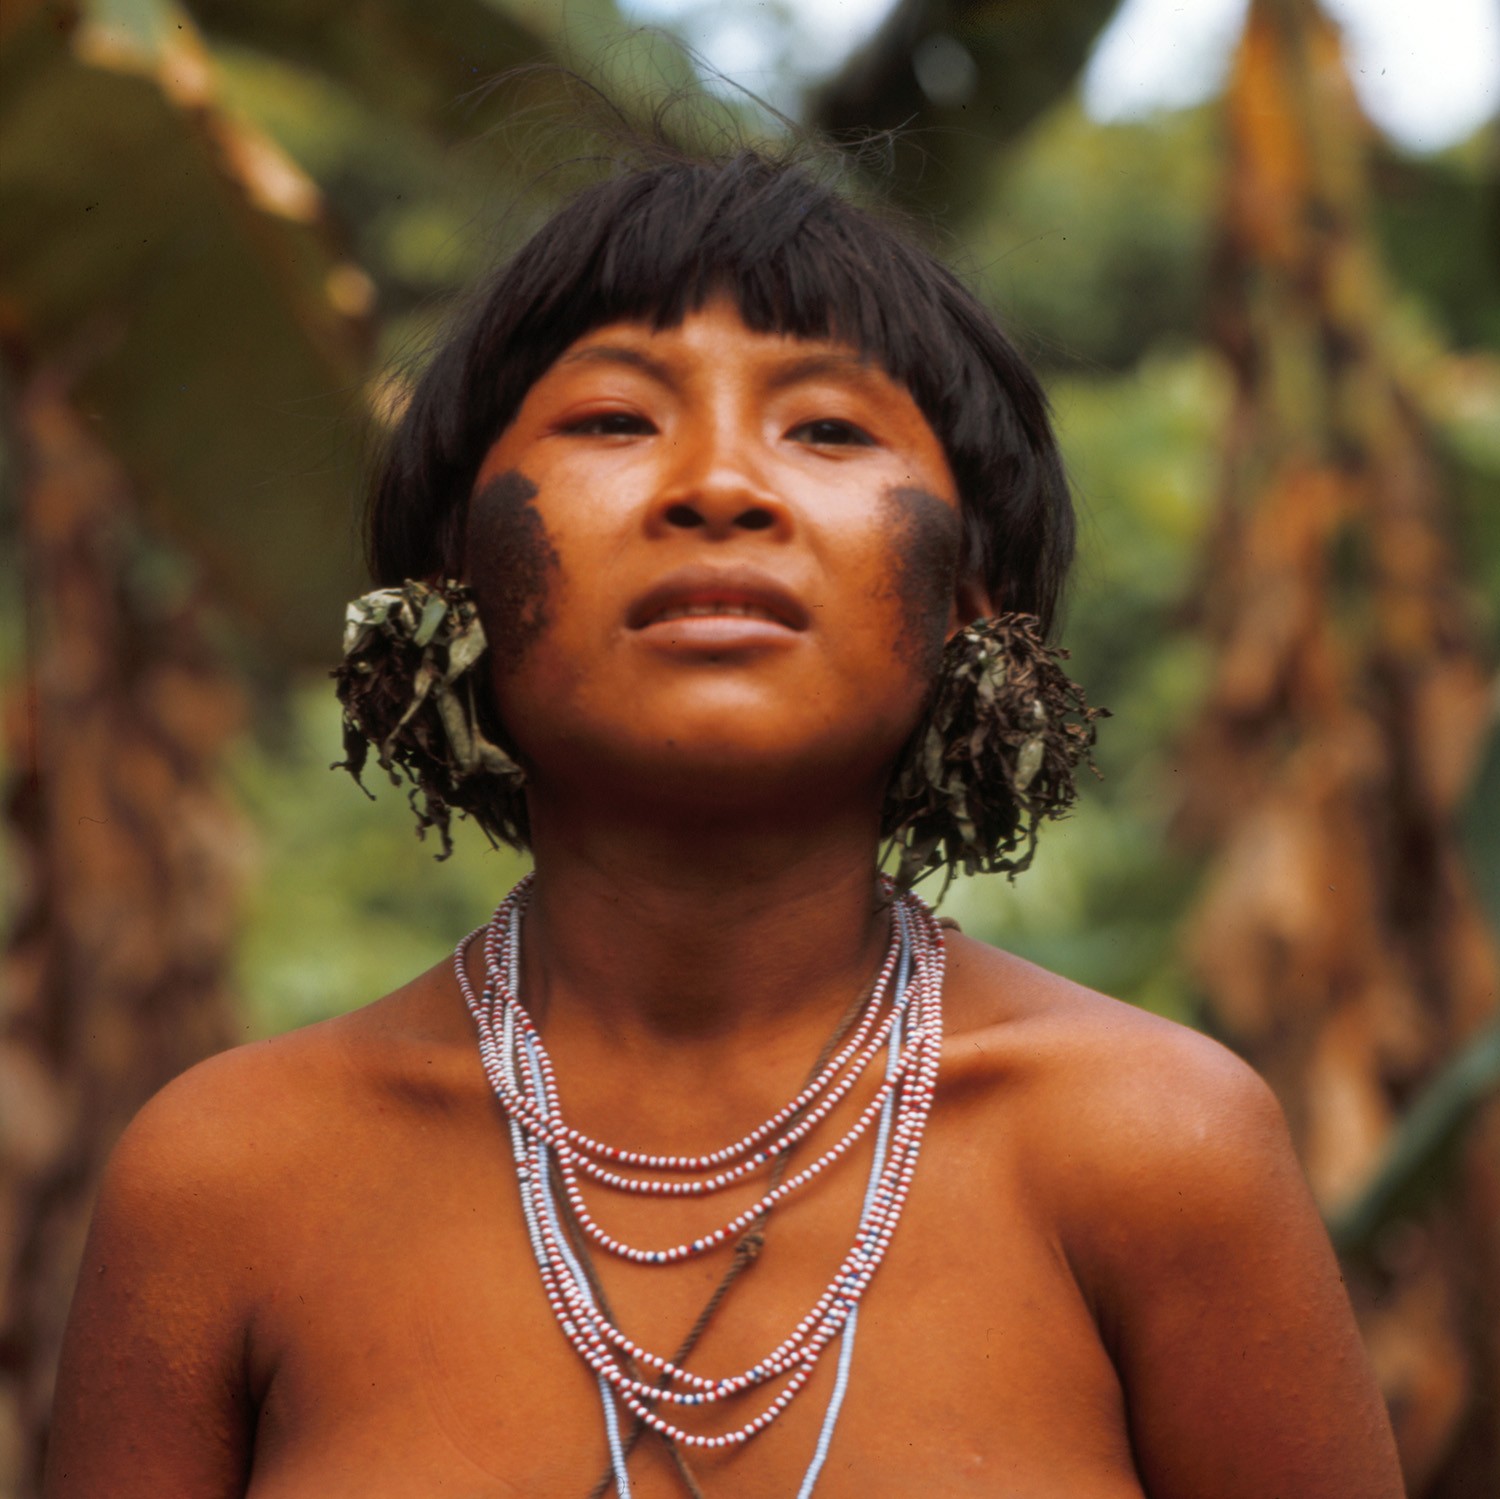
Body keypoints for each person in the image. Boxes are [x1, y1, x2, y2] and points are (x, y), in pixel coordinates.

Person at [45, 143, 1404, 1498]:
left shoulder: (1160, 1149)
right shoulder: (230, 1181)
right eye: (614, 422)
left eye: (826, 429)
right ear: (450, 589)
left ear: (971, 607)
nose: (718, 485)